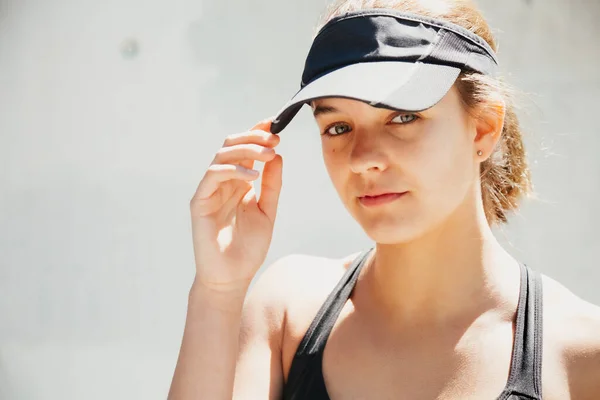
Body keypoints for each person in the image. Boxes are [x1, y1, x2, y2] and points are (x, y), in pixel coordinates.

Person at [168, 1, 600, 399]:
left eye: (403, 116)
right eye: (338, 126)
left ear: (483, 128)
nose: (363, 159)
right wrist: (217, 291)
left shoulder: (581, 353)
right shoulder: (288, 314)